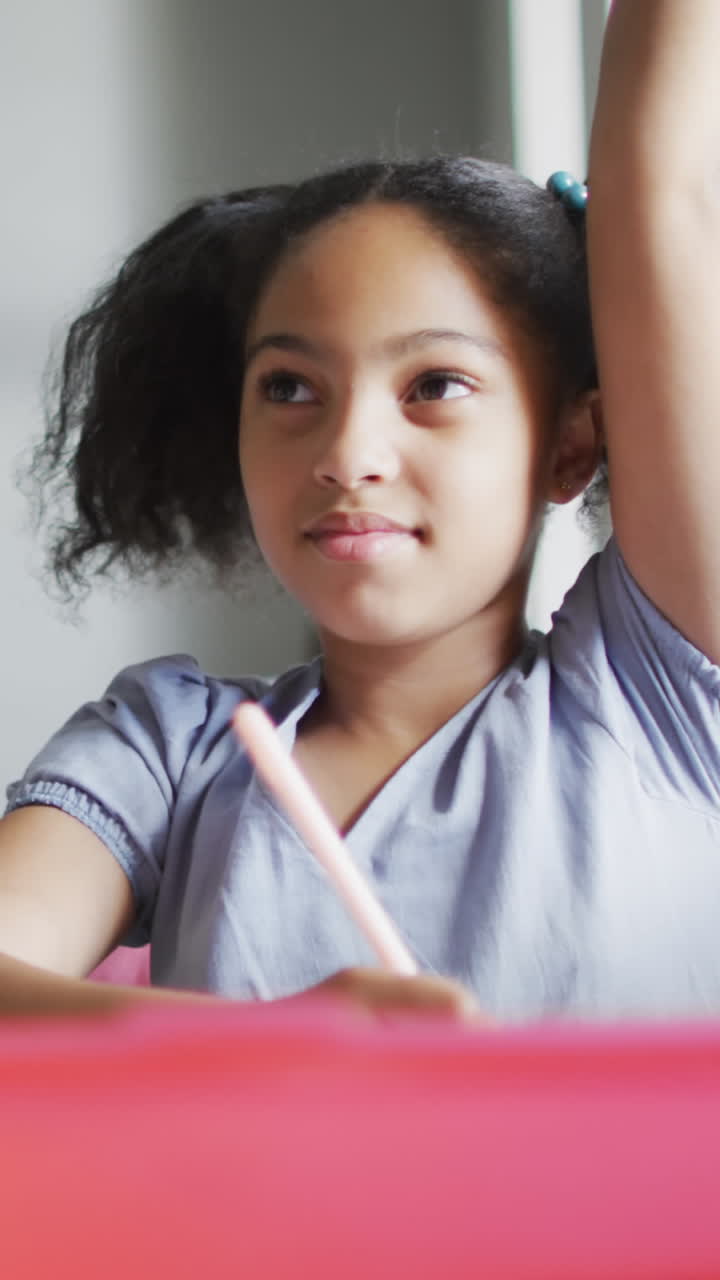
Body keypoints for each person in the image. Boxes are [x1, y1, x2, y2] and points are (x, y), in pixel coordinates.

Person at [2, 0, 719, 1021]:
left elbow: (665, 188)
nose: (346, 455)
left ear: (570, 442)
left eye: (435, 385)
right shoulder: (168, 749)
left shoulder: (656, 694)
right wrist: (268, 1045)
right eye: (290, 387)